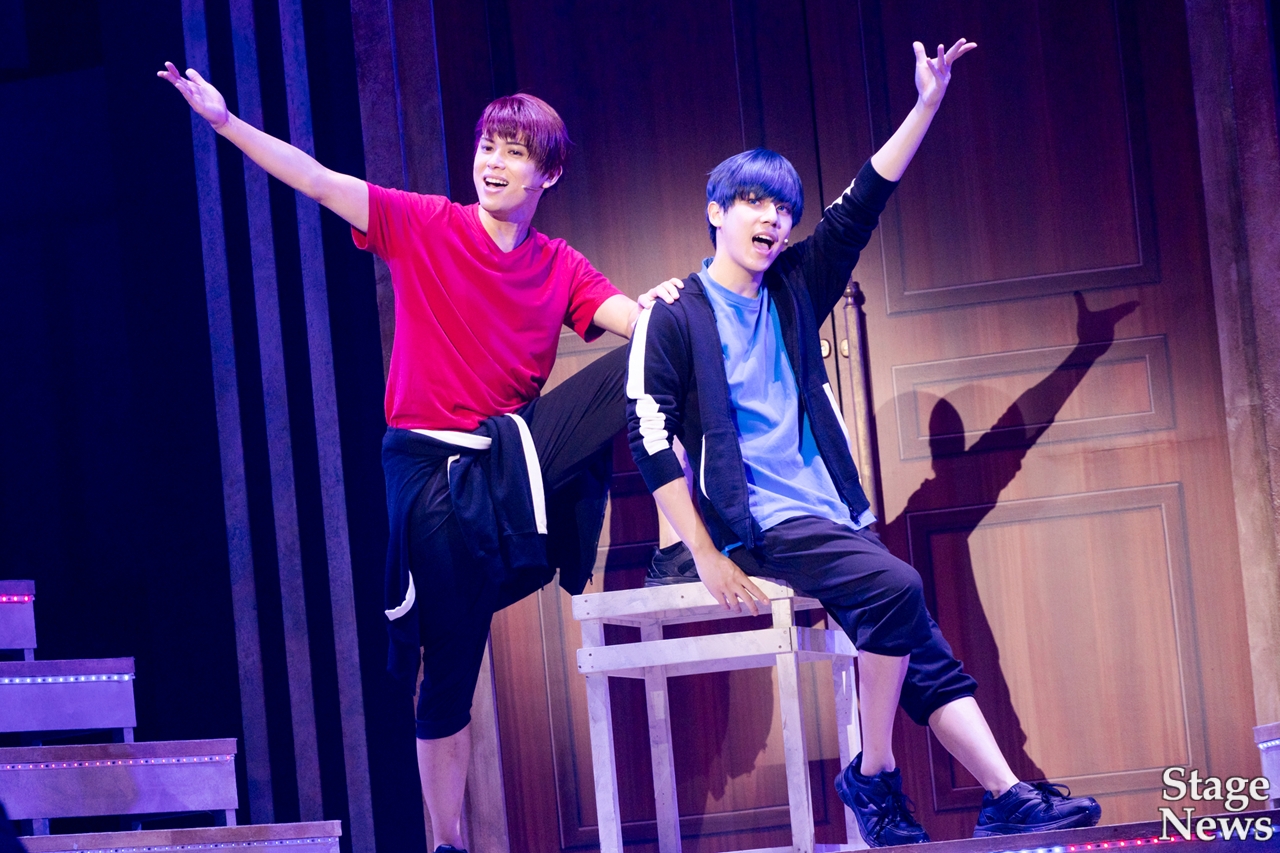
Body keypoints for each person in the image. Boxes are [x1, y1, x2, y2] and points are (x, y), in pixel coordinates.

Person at [159, 66, 681, 853]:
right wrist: (226, 122)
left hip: (508, 462)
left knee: (658, 349)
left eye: (514, 152)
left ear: (548, 173)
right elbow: (316, 178)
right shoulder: (425, 222)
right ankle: (447, 842)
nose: (492, 162)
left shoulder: (558, 264)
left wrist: (665, 306)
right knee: (450, 665)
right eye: (487, 146)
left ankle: (681, 545)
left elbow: (634, 325)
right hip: (429, 474)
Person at [625, 40, 1103, 845]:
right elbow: (648, 436)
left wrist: (926, 105)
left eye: (783, 209)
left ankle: (1005, 793)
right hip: (760, 523)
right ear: (715, 210)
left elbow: (864, 199)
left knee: (918, 643)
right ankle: (873, 774)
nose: (772, 219)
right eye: (753, 202)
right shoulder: (673, 315)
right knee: (900, 587)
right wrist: (705, 552)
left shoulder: (793, 288)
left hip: (833, 514)